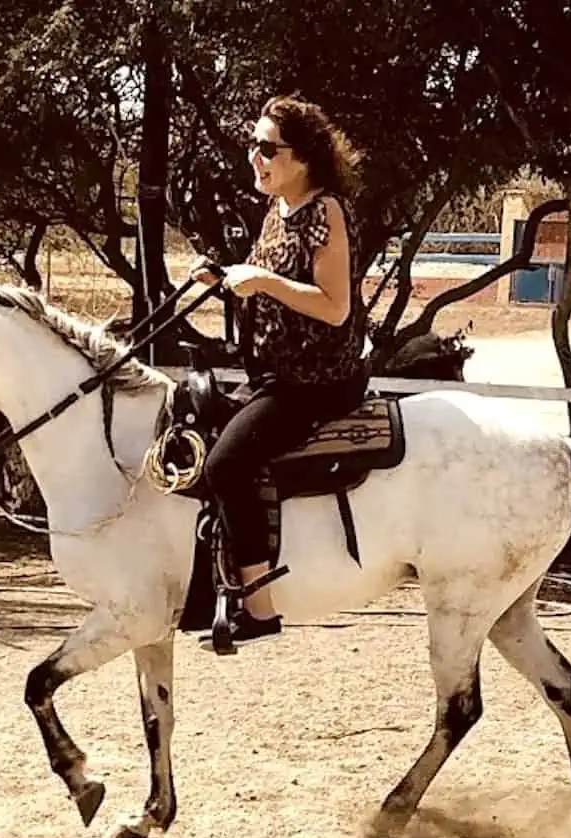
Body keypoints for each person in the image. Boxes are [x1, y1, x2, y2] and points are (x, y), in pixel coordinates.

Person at [191, 94, 369, 643]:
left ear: (305, 157)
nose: (256, 157)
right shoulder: (277, 212)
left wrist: (263, 281)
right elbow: (269, 292)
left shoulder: (325, 211)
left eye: (268, 149)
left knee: (226, 465)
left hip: (315, 382)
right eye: (253, 146)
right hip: (275, 376)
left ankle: (260, 609)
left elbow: (334, 305)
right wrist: (224, 278)